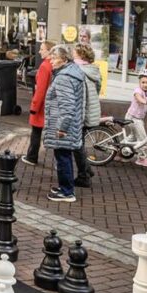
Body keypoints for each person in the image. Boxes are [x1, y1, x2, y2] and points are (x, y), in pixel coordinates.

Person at [43, 45, 86, 202]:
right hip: (70, 124)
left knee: (63, 157)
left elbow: (67, 106)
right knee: (64, 156)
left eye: (54, 58)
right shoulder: (73, 72)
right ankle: (64, 187)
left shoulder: (64, 78)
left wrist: (62, 128)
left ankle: (67, 192)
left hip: (63, 125)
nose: (51, 61)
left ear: (64, 59)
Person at [72, 43, 101, 186]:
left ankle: (84, 176)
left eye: (74, 52)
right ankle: (87, 169)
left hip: (82, 113)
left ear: (81, 55)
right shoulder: (93, 70)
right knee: (80, 144)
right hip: (91, 111)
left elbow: (81, 98)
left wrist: (79, 119)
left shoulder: (79, 71)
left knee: (77, 146)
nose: (72, 53)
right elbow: (97, 90)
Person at [22, 40, 55, 166]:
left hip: (42, 105)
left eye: (42, 49)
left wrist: (34, 106)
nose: (39, 51)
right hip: (50, 103)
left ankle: (32, 156)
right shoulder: (53, 65)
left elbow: (40, 89)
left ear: (49, 51)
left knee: (36, 131)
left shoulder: (44, 66)